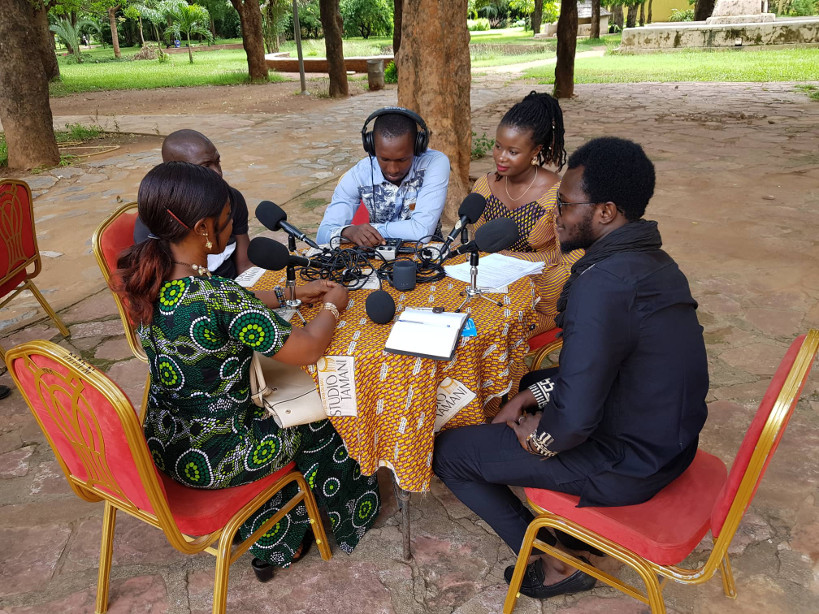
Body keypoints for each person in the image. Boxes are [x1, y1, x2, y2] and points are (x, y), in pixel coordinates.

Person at [433, 137, 709, 601]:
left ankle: (559, 559)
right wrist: (531, 398)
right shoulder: (653, 262)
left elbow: (575, 421)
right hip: (669, 441)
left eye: (563, 204)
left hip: (631, 462)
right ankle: (569, 530)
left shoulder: (603, 284)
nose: (553, 215)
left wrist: (536, 436)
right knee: (530, 383)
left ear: (605, 212)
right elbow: (610, 365)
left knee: (448, 454)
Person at [113, 161, 380, 579]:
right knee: (324, 422)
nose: (232, 226)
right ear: (202, 228)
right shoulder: (216, 297)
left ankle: (272, 527)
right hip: (223, 456)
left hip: (167, 445)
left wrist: (291, 291)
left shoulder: (145, 278)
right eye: (225, 220)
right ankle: (301, 535)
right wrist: (332, 304)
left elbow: (228, 305)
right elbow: (308, 349)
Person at [471, 91, 583, 335]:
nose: (501, 157)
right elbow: (477, 244)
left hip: (540, 290)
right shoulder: (484, 186)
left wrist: (511, 259)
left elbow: (570, 257)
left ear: (535, 151)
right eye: (498, 146)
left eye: (513, 151)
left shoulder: (558, 194)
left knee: (494, 333)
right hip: (491, 284)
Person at [316, 107, 450, 248]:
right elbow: (322, 235)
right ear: (372, 148)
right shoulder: (358, 175)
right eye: (384, 159)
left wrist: (371, 231)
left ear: (417, 147)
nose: (393, 169)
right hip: (377, 259)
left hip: (429, 257)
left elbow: (421, 231)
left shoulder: (434, 163)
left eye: (402, 159)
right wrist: (348, 231)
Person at [134, 129, 253, 279]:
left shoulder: (231, 199)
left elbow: (246, 266)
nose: (218, 173)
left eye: (217, 162)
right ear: (178, 172)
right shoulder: (155, 225)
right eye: (206, 166)